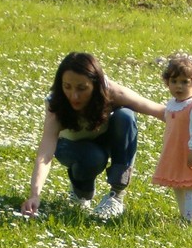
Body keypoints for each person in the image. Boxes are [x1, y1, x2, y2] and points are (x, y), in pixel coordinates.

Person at [21, 52, 165, 220]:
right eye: (67, 86)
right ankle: (80, 191)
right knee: (93, 157)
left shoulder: (110, 91)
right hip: (69, 147)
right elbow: (45, 155)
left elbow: (160, 111)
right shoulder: (56, 104)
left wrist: (189, 126)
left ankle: (116, 197)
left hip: (103, 140)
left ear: (96, 84)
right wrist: (35, 195)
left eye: (82, 88)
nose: (74, 95)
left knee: (126, 116)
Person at [151, 54, 192, 223]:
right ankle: (183, 214)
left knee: (191, 187)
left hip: (191, 153)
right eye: (174, 81)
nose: (178, 86)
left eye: (185, 82)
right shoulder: (172, 104)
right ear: (167, 82)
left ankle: (189, 220)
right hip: (176, 152)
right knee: (177, 185)